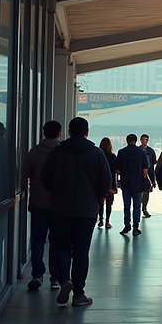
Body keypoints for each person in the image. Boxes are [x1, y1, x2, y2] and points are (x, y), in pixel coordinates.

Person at [41, 117, 112, 307]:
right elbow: (106, 179)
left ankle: (65, 280)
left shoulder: (57, 153)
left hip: (61, 208)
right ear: (87, 132)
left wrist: (57, 192)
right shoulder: (96, 154)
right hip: (87, 210)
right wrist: (99, 196)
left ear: (69, 132)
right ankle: (79, 294)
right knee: (81, 251)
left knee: (62, 247)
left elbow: (45, 177)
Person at [21, 121, 62, 290]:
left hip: (38, 202)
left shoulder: (34, 152)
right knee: (56, 241)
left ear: (44, 133)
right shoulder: (63, 152)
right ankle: (55, 278)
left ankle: (37, 275)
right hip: (59, 205)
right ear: (59, 133)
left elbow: (24, 174)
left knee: (38, 239)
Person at [116, 133, 150, 236]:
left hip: (125, 183)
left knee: (126, 206)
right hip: (138, 183)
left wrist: (118, 181)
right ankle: (136, 227)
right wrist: (145, 179)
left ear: (127, 141)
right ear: (136, 141)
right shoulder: (142, 152)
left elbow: (118, 171)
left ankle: (127, 225)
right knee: (137, 206)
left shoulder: (121, 152)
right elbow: (145, 170)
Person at [97, 137, 118, 228]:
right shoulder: (113, 157)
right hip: (110, 183)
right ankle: (107, 221)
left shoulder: (98, 155)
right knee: (109, 204)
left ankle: (101, 219)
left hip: (100, 183)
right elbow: (115, 172)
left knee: (100, 202)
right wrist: (114, 186)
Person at [140, 134, 157, 217]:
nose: (144, 141)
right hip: (139, 175)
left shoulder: (151, 151)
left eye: (146, 140)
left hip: (147, 175)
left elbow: (152, 167)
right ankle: (140, 208)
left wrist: (153, 180)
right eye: (143, 139)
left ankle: (144, 208)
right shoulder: (138, 150)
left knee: (146, 193)